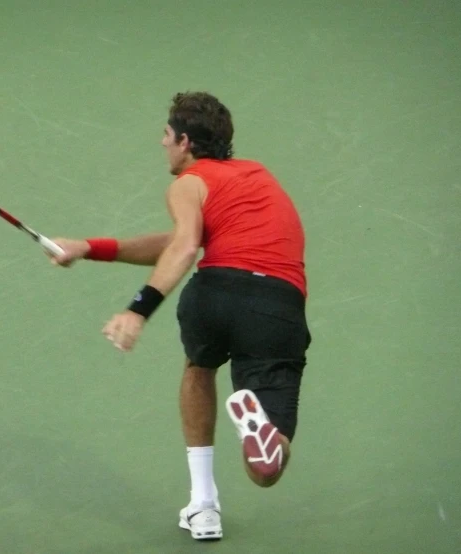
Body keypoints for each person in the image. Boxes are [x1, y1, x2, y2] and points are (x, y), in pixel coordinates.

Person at [47, 91, 311, 541]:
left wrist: (138, 309)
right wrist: (90, 247)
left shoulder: (187, 183)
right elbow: (176, 242)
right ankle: (266, 436)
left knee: (198, 369)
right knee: (267, 470)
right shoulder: (255, 175)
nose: (162, 142)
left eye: (167, 135)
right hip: (277, 304)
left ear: (185, 142)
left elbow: (186, 246)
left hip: (214, 295)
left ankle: (204, 504)